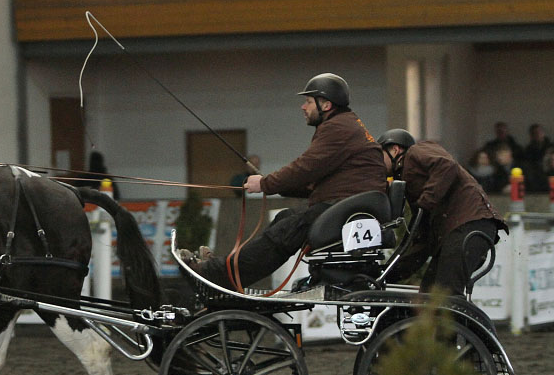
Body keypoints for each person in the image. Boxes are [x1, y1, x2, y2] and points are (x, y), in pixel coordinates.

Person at [182, 73, 387, 289]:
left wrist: (264, 183)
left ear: (326, 105)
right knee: (285, 218)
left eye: (308, 101)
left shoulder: (338, 128)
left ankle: (220, 275)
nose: (303, 107)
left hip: (346, 210)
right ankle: (230, 272)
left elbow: (305, 167)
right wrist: (277, 185)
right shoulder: (346, 125)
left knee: (287, 230)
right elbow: (313, 178)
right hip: (349, 207)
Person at [376, 129, 507, 297]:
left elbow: (446, 165)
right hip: (461, 230)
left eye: (380, 155)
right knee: (430, 296)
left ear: (395, 149)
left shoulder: (417, 151)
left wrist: (426, 201)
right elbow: (421, 239)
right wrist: (389, 274)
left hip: (469, 225)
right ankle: (437, 323)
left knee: (446, 295)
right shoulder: (409, 180)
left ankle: (454, 322)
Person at [522, 124, 551, 192]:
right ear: (531, 136)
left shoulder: (551, 147)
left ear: (543, 133)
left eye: (539, 132)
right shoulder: (527, 150)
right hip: (535, 178)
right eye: (534, 133)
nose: (537, 135)